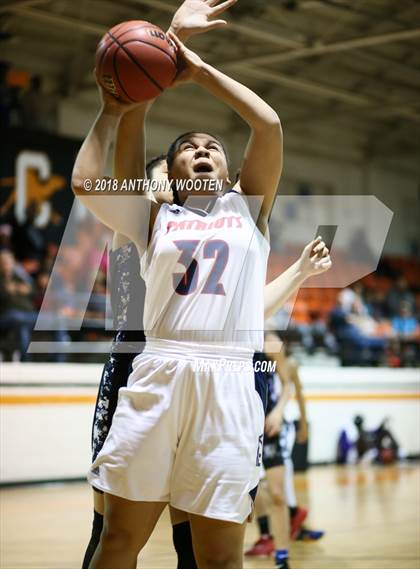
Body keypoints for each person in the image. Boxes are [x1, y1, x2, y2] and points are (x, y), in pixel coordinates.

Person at [72, 5, 283, 569]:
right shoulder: (152, 218)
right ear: (172, 169)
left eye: (213, 145)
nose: (203, 150)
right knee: (119, 540)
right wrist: (130, 95)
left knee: (217, 558)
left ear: (230, 167)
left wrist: (193, 67)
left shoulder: (249, 211)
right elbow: (95, 178)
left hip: (231, 379)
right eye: (189, 147)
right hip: (159, 371)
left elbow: (268, 125)